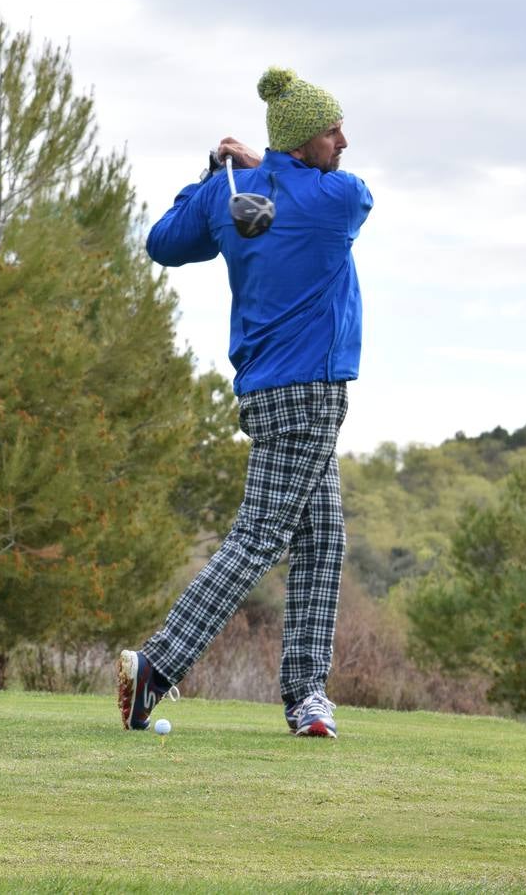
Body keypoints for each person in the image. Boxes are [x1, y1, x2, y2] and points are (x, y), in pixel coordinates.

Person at [118, 67, 373, 738]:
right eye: (330, 131)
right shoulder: (338, 199)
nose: (343, 141)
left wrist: (213, 175)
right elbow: (346, 193)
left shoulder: (231, 195)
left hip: (264, 389)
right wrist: (263, 167)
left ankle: (306, 697)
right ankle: (157, 665)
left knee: (323, 538)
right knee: (259, 539)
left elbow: (163, 243)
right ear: (299, 143)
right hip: (312, 393)